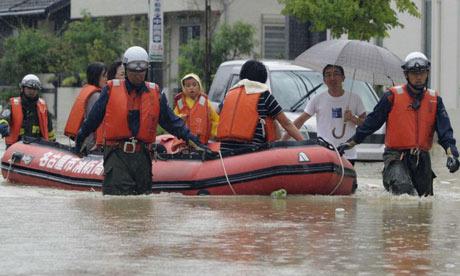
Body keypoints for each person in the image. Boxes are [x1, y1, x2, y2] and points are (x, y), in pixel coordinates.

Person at [73, 46, 208, 195]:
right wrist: (80, 139)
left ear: (147, 70)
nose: (138, 75)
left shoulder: (155, 94)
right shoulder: (111, 90)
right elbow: (93, 119)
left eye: (142, 71)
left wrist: (193, 140)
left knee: (142, 205)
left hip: (143, 158)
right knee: (118, 204)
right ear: (126, 69)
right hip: (117, 155)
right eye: (134, 71)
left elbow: (172, 122)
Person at [338, 52, 459, 196]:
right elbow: (372, 122)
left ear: (427, 73)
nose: (418, 77)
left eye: (422, 73)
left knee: (424, 203)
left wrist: (452, 154)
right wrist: (351, 142)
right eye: (414, 73)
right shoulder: (391, 96)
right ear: (406, 75)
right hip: (395, 156)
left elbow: (445, 132)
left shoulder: (435, 99)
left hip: (422, 158)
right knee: (404, 191)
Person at [282, 64, 366, 164]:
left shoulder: (355, 98)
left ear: (343, 78)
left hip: (348, 153)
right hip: (324, 152)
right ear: (324, 80)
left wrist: (353, 118)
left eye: (336, 74)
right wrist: (282, 141)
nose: (332, 78)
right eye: (328, 75)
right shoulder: (317, 99)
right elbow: (300, 121)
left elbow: (365, 124)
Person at [217, 60, 304, 152]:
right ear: (263, 78)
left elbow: (219, 114)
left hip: (225, 153)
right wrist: (305, 143)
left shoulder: (229, 95)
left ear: (241, 76)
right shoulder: (264, 95)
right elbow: (286, 124)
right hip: (251, 153)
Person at [0, 74, 55, 147]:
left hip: (38, 148)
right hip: (16, 147)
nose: (32, 91)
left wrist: (53, 144)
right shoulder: (12, 105)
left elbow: (49, 130)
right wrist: (3, 125)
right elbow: (3, 118)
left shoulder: (43, 107)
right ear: (22, 88)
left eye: (34, 89)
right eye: (29, 88)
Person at [64, 62, 107, 151]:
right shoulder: (96, 96)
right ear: (96, 77)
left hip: (84, 142)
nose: (106, 79)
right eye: (104, 76)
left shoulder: (89, 92)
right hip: (91, 146)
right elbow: (96, 123)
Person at [173, 73, 219, 144]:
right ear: (184, 88)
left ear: (199, 86)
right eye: (188, 86)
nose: (191, 88)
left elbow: (215, 120)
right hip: (183, 143)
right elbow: (173, 120)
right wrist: (180, 118)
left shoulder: (206, 103)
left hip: (201, 143)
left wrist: (216, 134)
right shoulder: (180, 104)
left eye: (194, 85)